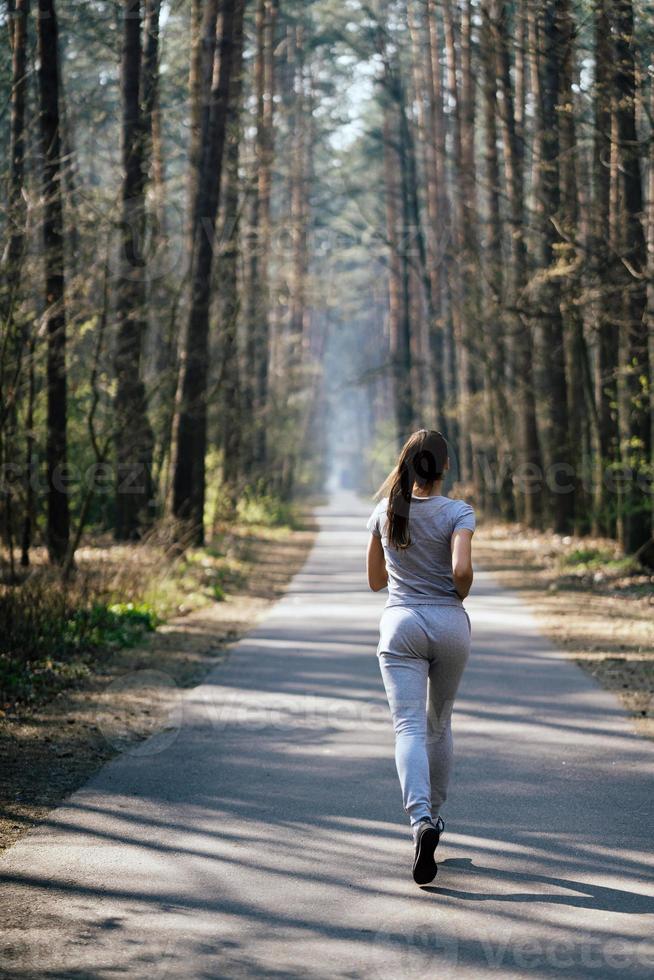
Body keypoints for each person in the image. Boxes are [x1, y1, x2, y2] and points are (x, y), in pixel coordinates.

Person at [365, 428, 475, 886]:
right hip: (449, 623)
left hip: (401, 624)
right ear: (445, 466)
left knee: (408, 726)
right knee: (439, 722)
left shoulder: (385, 512)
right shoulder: (458, 512)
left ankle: (420, 821)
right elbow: (462, 571)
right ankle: (436, 818)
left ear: (407, 463)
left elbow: (374, 581)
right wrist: (457, 594)